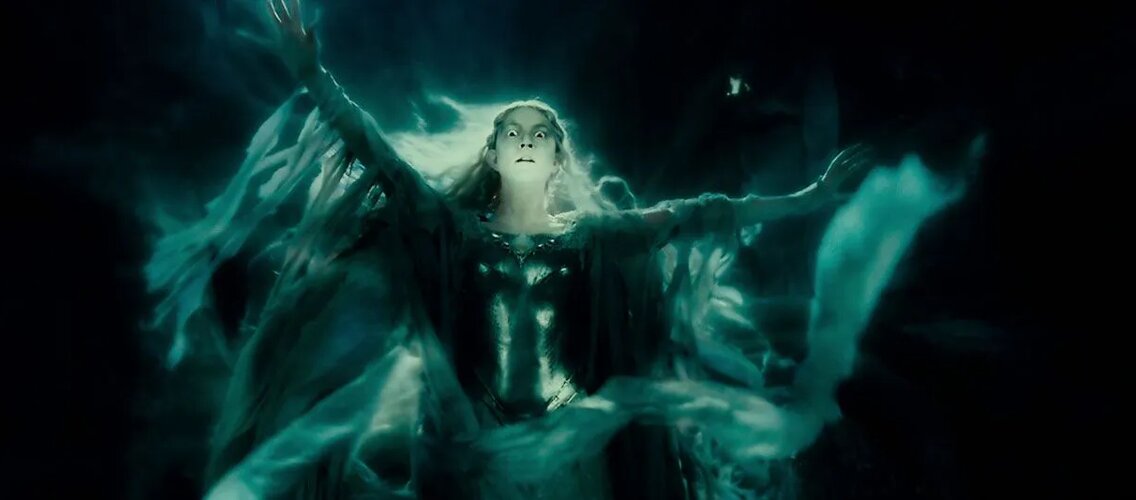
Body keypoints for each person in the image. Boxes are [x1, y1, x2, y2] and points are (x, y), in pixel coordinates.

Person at [144, 1, 961, 498]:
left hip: (566, 446)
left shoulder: (593, 239)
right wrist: (312, 75)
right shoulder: (452, 230)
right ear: (496, 152)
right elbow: (374, 154)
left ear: (559, 155)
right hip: (472, 445)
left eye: (542, 133)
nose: (528, 139)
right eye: (515, 132)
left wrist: (809, 197)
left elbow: (699, 217)